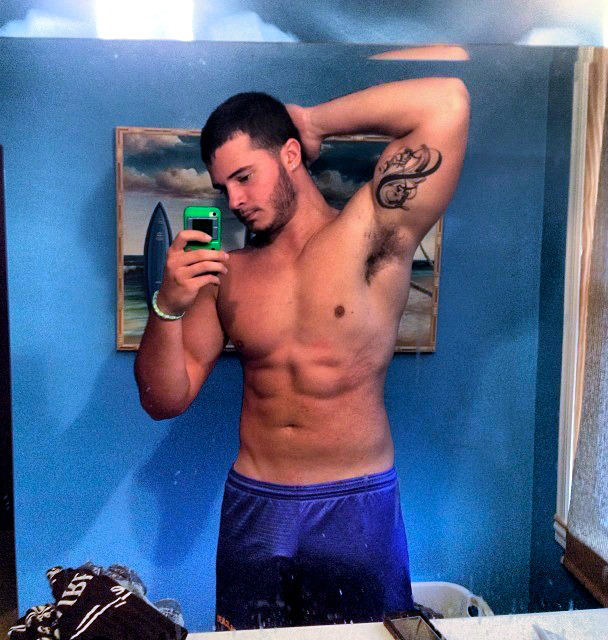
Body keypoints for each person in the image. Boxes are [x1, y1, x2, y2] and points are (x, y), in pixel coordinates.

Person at [135, 77, 470, 630]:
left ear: (290, 155)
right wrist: (167, 305)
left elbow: (447, 102)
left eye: (245, 176)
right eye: (224, 187)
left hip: (355, 503)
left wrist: (313, 122)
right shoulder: (227, 276)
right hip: (256, 504)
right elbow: (162, 400)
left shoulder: (372, 233)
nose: (235, 200)